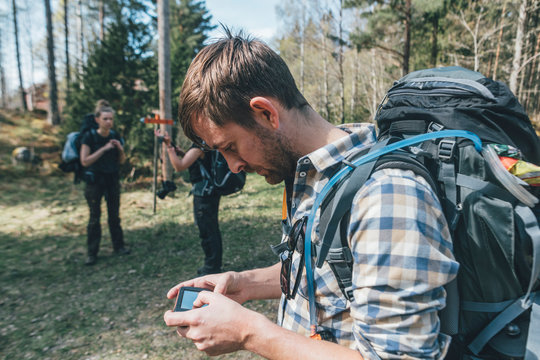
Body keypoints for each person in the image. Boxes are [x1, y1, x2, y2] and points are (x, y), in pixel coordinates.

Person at [163, 30, 458, 359]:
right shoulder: (309, 174)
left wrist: (249, 332)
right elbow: (325, 269)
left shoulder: (385, 194)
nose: (232, 166)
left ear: (266, 113)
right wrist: (243, 283)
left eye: (230, 147)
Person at [157, 129, 224, 276]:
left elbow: (179, 166)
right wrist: (180, 152)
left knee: (207, 230)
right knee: (211, 228)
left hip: (204, 193)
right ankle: (214, 263)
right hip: (210, 191)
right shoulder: (205, 143)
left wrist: (169, 147)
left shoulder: (199, 145)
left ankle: (212, 266)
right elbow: (194, 161)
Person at [80, 100, 129, 265]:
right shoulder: (89, 137)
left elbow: (121, 161)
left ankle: (119, 246)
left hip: (112, 180)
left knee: (114, 216)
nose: (108, 122)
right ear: (97, 120)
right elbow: (84, 161)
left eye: (111, 119)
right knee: (95, 217)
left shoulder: (115, 136)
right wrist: (104, 149)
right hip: (94, 182)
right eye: (105, 119)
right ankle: (92, 253)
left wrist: (120, 149)